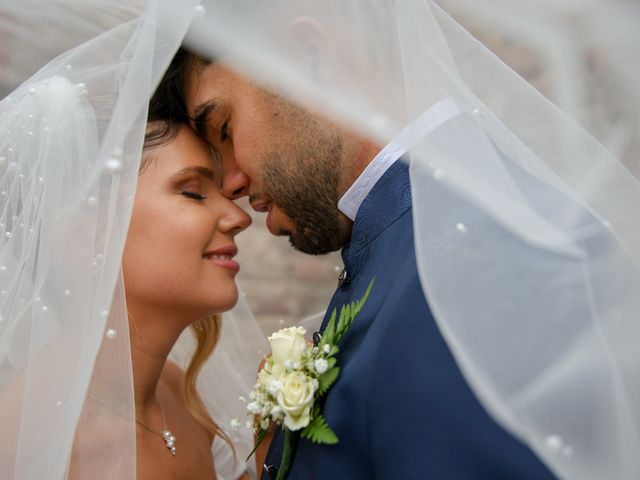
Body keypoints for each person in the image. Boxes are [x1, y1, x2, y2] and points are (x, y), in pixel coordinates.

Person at [154, 47, 559, 478]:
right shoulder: (416, 236)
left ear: (314, 60)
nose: (230, 183)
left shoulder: (461, 267)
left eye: (226, 128)